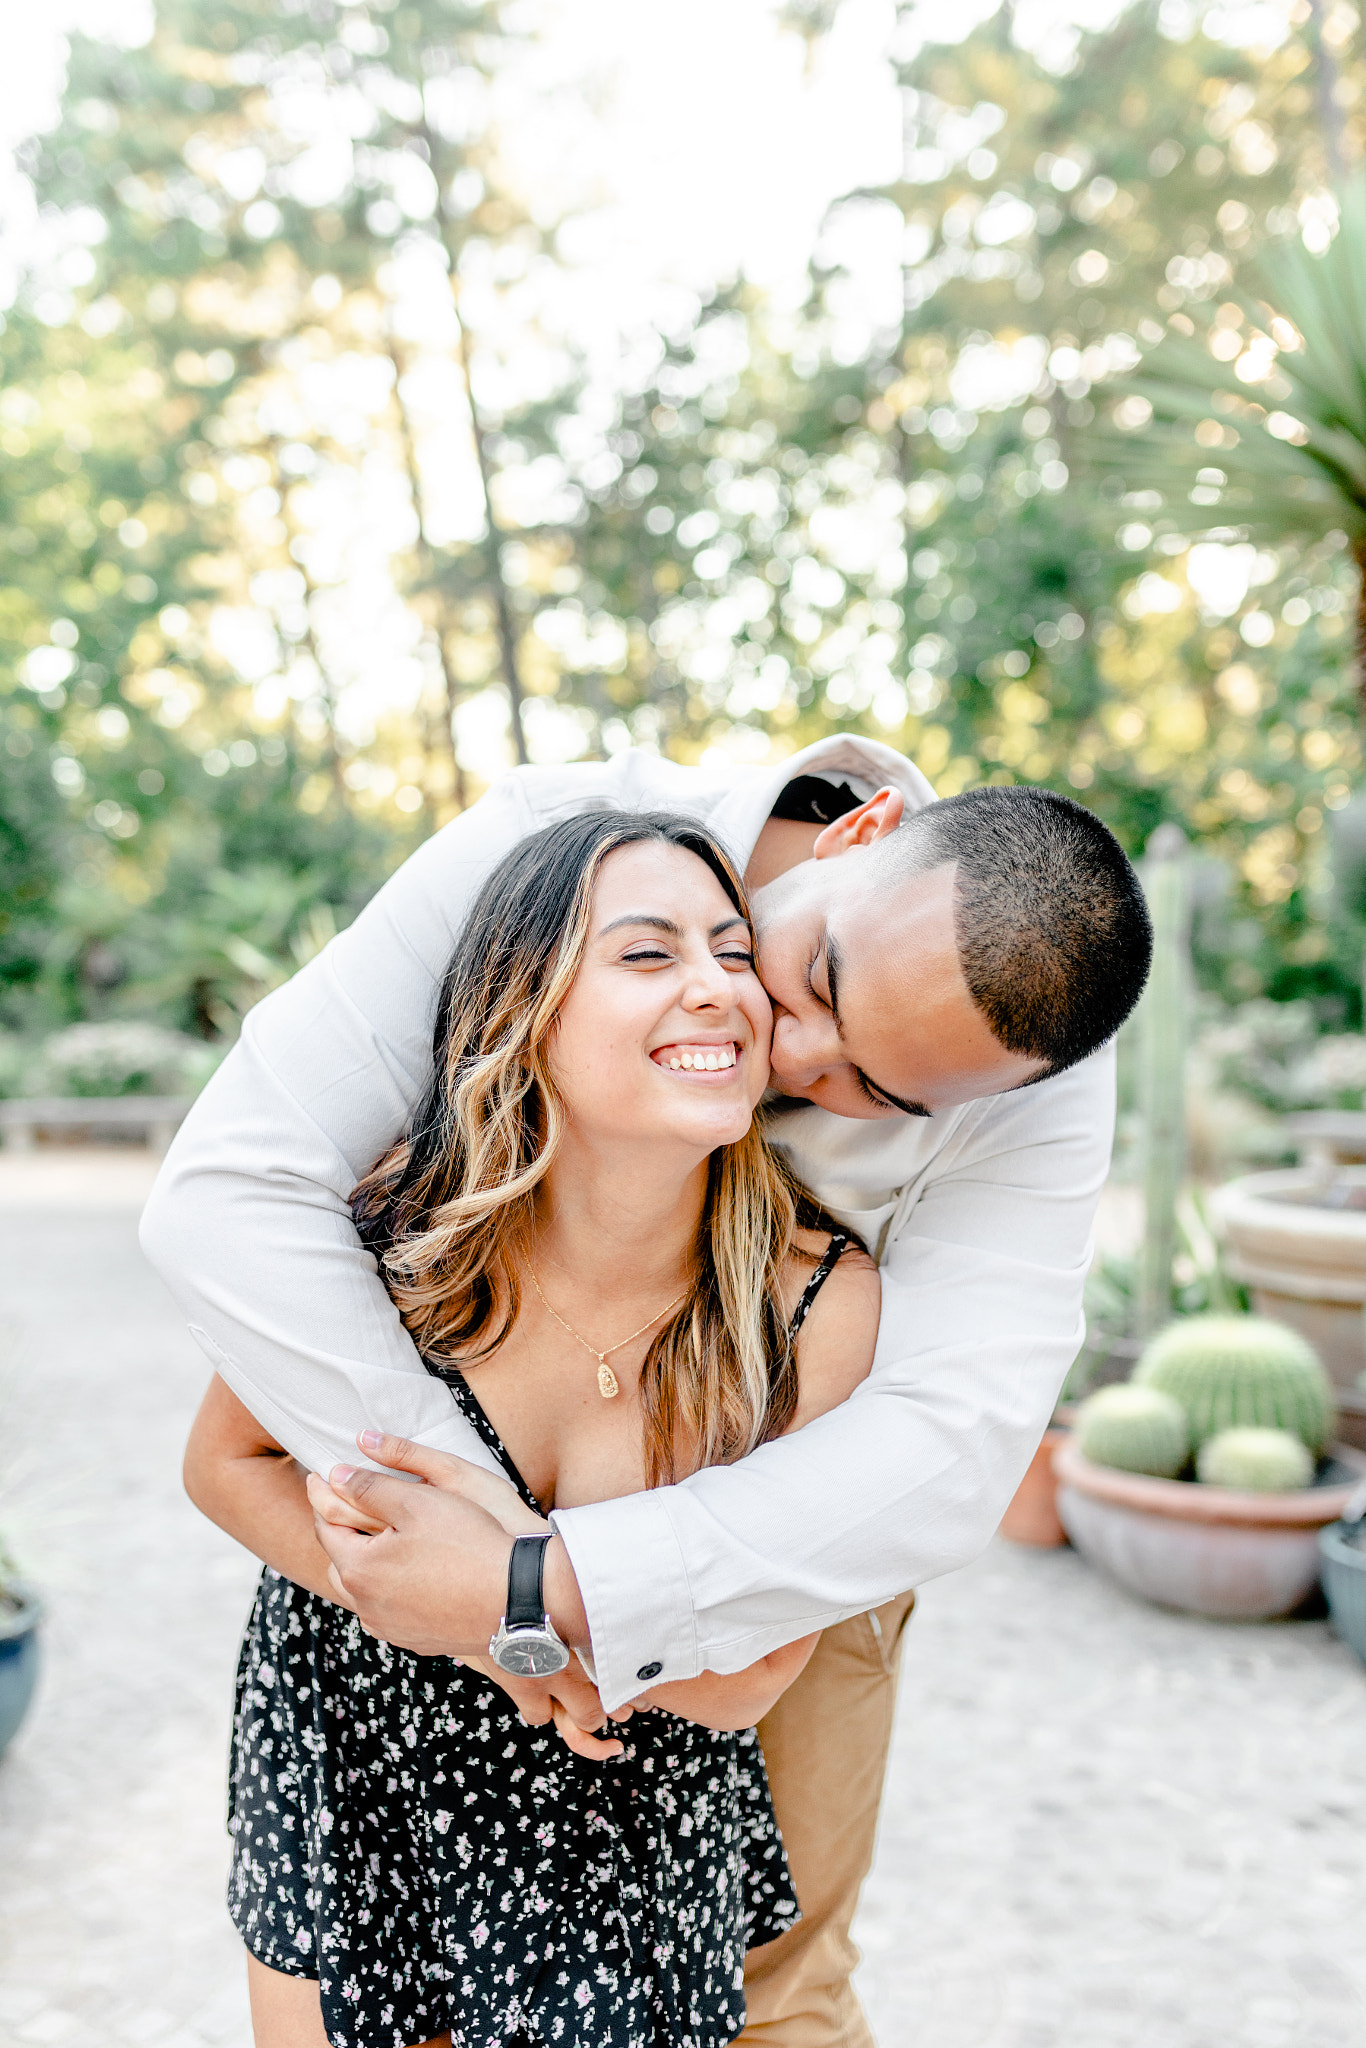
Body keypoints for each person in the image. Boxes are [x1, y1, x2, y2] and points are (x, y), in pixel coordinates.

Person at [144, 733, 1152, 2046]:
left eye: (872, 1087)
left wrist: (529, 1595)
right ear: (857, 833)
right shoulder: (554, 845)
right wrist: (469, 1560)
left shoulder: (1034, 1061)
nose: (788, 1055)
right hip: (419, 1536)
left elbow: (946, 1452)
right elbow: (229, 1193)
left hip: (790, 1494)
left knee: (776, 1983)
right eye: (806, 978)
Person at [184, 808, 882, 2048]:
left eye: (734, 951)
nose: (718, 986)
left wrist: (501, 1597)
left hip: (632, 1816)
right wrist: (472, 1626)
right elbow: (226, 1462)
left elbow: (750, 1682)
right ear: (528, 1005)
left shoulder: (815, 1299)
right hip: (361, 1764)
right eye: (648, 953)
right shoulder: (393, 1231)